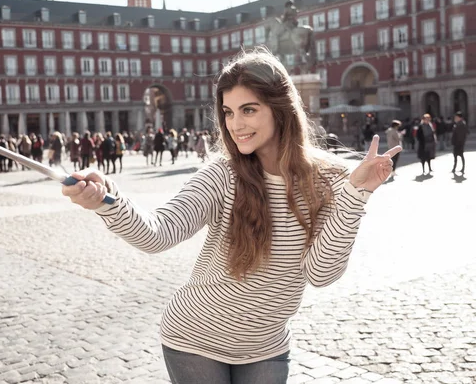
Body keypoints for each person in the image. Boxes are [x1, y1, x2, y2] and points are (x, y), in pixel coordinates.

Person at [61, 49, 401, 384]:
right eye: (228, 112)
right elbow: (158, 233)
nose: (235, 125)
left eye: (248, 110)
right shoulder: (222, 174)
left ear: (280, 109)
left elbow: (321, 273)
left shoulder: (330, 179)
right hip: (194, 339)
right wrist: (106, 199)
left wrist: (357, 195)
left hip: (266, 347)